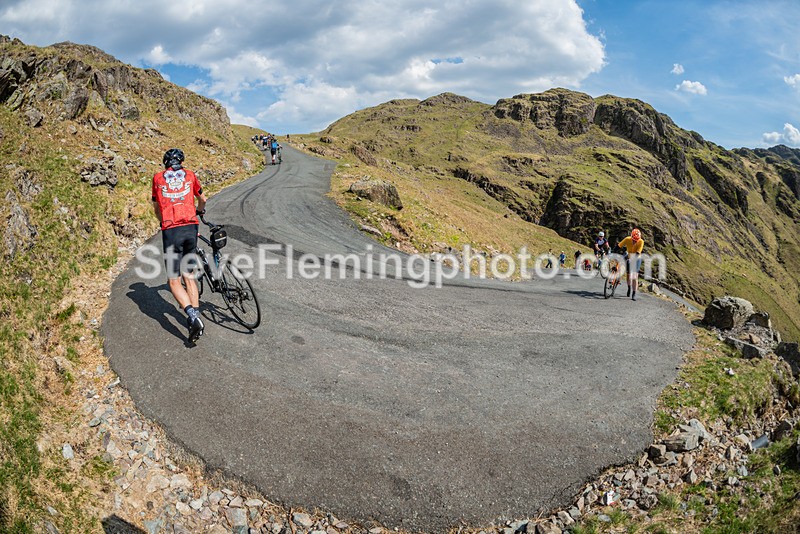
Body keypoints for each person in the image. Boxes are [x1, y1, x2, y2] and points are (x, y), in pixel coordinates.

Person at [151, 148, 208, 341]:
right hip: (191, 227)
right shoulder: (190, 175)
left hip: (171, 229)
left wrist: (162, 220)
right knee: (189, 276)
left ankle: (192, 317)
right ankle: (196, 318)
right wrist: (199, 211)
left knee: (173, 281)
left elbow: (157, 206)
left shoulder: (158, 178)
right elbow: (202, 199)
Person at [616, 228, 645, 301]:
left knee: (635, 276)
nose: (634, 242)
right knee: (628, 275)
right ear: (631, 237)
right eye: (633, 240)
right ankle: (629, 287)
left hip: (637, 258)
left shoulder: (641, 241)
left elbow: (638, 253)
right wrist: (612, 253)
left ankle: (634, 293)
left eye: (636, 241)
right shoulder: (627, 239)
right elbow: (619, 246)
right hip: (629, 257)